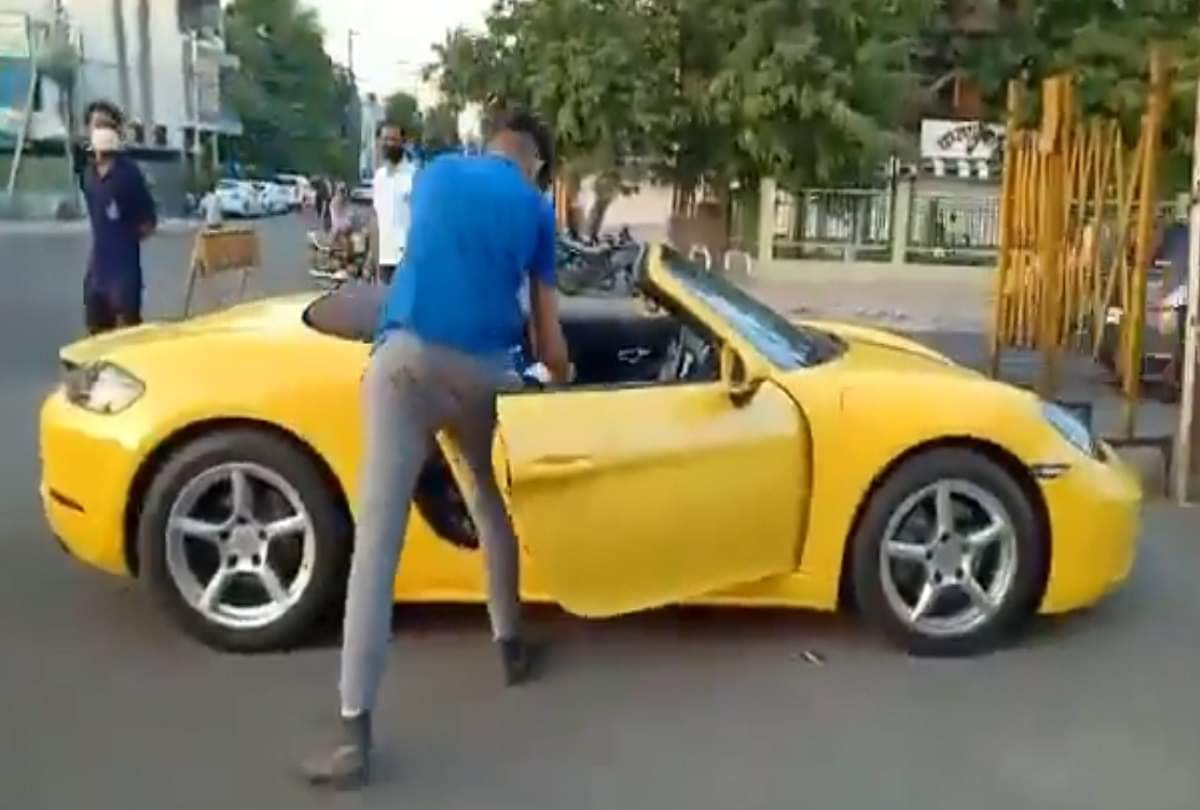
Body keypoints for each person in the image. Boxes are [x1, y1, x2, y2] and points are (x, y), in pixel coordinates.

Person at [302, 110, 571, 791]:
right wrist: (563, 381)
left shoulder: (439, 172)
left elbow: (415, 252)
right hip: (483, 374)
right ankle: (510, 647)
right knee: (485, 497)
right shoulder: (538, 212)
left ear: (491, 145)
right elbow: (550, 342)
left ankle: (353, 733)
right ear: (536, 163)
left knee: (378, 541)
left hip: (406, 363)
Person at [80, 100, 157, 335]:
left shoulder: (129, 174)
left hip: (124, 276)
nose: (101, 131)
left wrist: (125, 237)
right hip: (97, 274)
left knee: (127, 342)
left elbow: (148, 223)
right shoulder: (89, 175)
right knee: (96, 341)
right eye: (96, 125)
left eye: (107, 126)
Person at [370, 123, 416, 285]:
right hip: (383, 260)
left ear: (403, 143)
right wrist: (373, 259)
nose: (389, 144)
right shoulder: (379, 177)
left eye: (394, 140)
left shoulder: (414, 176)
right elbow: (377, 218)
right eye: (385, 139)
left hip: (407, 261)